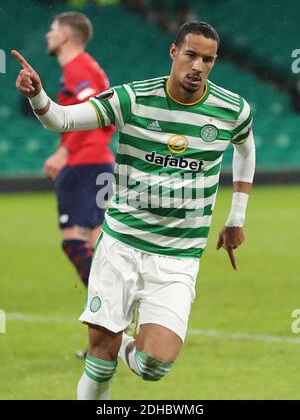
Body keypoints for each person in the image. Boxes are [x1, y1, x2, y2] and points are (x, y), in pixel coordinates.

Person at [13, 20, 256, 400]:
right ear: (174, 53)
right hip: (121, 247)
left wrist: (236, 216)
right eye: (191, 55)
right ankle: (105, 345)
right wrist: (39, 96)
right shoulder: (132, 99)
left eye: (207, 60)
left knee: (153, 365)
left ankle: (116, 339)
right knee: (100, 363)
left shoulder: (232, 110)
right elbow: (62, 119)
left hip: (177, 258)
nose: (198, 66)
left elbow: (246, 147)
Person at [43, 12, 115, 292]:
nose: (48, 35)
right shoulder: (88, 66)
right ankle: (115, 317)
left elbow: (94, 113)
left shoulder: (77, 67)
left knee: (74, 241)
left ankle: (108, 306)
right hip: (99, 161)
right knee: (95, 239)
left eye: (53, 29)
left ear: (64, 36)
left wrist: (65, 151)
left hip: (85, 162)